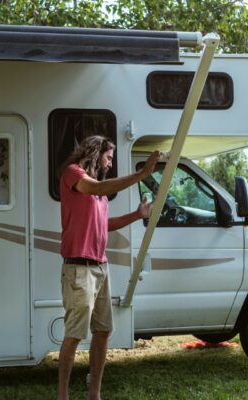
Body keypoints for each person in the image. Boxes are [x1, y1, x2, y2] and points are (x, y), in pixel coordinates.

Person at [57, 135, 160, 400]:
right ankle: (63, 395)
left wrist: (137, 215)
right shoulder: (73, 174)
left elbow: (105, 225)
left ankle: (95, 394)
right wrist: (142, 174)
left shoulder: (99, 195)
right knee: (75, 335)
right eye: (108, 158)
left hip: (101, 268)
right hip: (79, 268)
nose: (110, 164)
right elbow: (96, 188)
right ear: (94, 152)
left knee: (103, 331)